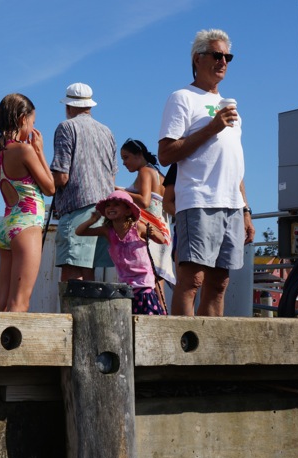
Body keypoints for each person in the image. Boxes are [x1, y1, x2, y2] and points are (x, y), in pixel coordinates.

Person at [158, 29, 255, 317]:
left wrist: (246, 210)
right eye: (216, 55)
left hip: (232, 205)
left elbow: (234, 163)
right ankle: (180, 353)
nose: (223, 61)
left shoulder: (232, 108)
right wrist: (212, 127)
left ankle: (208, 356)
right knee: (192, 280)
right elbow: (165, 154)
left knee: (219, 283)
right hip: (199, 199)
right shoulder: (182, 98)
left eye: (228, 56)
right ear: (197, 59)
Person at [0, 94, 55, 312]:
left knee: (2, 303)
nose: (33, 128)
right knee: (19, 302)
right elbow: (50, 187)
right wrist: (39, 150)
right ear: (21, 119)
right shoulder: (24, 150)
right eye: (32, 122)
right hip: (27, 224)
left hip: (7, 223)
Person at [50, 82, 117, 282]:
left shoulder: (66, 127)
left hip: (76, 207)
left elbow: (61, 177)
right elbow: (112, 177)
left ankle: (70, 314)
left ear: (68, 106)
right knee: (89, 273)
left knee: (72, 272)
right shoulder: (107, 131)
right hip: (103, 209)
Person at [76, 190, 166, 315]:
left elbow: (161, 240)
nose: (111, 208)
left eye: (116, 204)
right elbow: (79, 232)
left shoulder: (137, 228)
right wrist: (92, 220)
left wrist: (153, 232)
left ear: (128, 211)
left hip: (143, 285)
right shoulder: (108, 231)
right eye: (108, 205)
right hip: (125, 287)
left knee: (146, 321)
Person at [118, 138, 175, 302]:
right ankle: (162, 315)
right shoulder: (159, 174)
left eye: (126, 157)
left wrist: (117, 191)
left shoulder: (144, 172)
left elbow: (144, 200)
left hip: (150, 233)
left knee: (151, 280)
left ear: (139, 155)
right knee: (159, 281)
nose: (124, 163)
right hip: (163, 233)